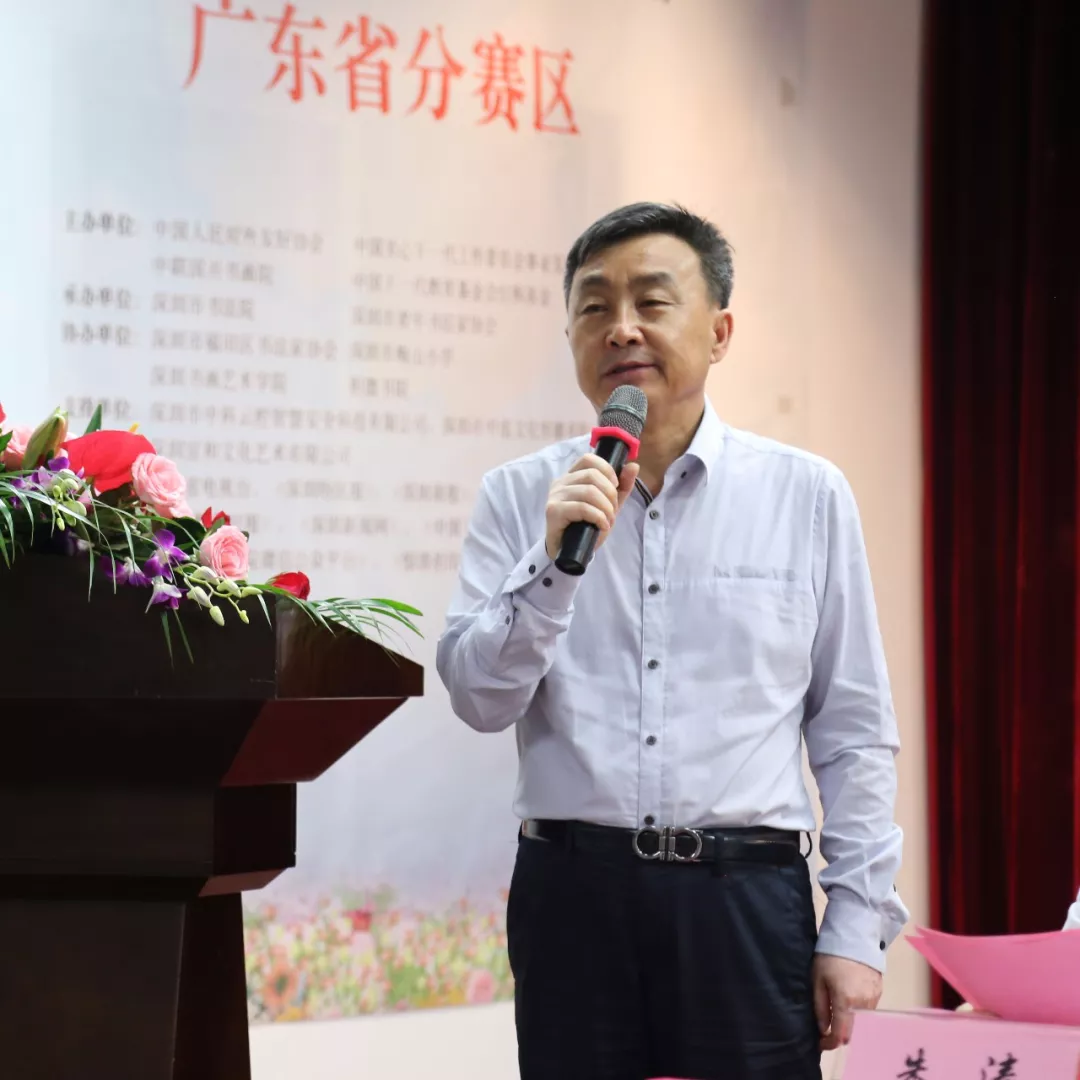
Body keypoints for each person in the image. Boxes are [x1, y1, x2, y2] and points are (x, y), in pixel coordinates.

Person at [437, 202, 909, 1080]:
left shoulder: (805, 495)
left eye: (652, 302)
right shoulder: (520, 497)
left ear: (719, 332)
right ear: (571, 336)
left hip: (745, 900)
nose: (621, 328)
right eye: (594, 307)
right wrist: (553, 565)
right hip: (572, 897)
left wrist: (856, 923)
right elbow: (478, 697)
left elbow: (851, 729)